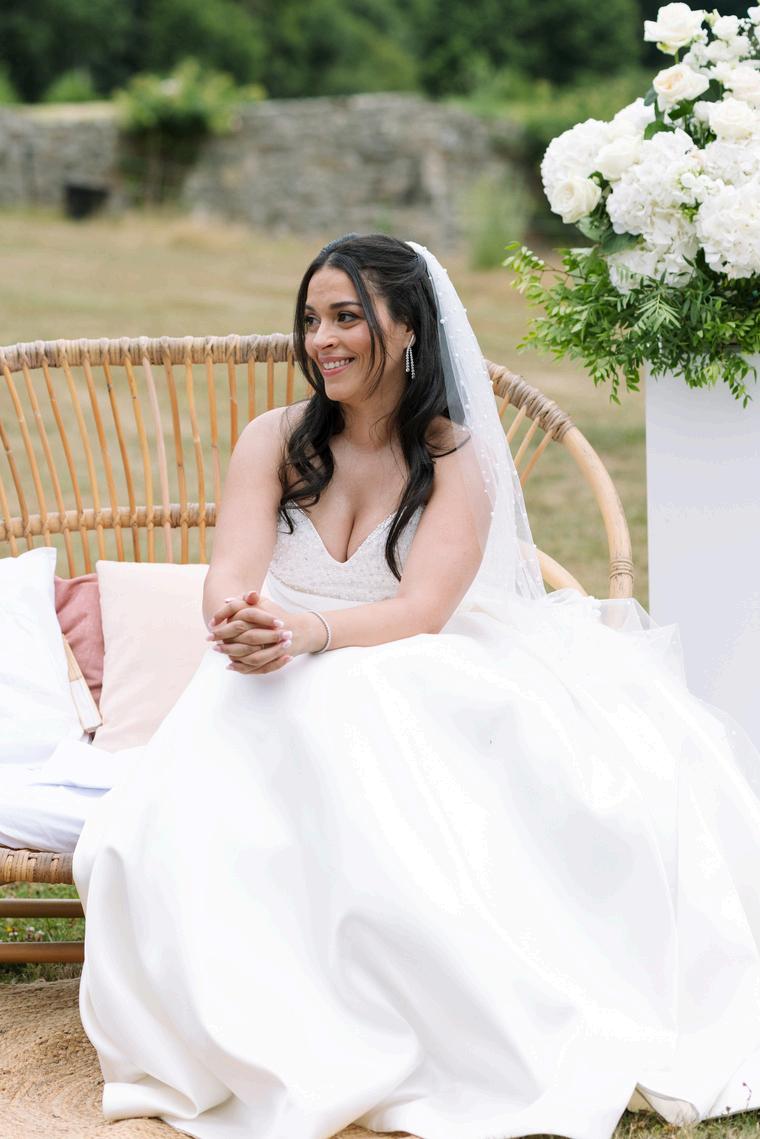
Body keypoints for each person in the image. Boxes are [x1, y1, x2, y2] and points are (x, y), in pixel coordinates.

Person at [73, 234, 760, 1139]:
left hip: (403, 661)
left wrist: (311, 634)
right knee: (141, 830)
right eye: (311, 319)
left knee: (362, 733)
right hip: (268, 666)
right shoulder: (273, 439)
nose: (322, 339)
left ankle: (384, 1017)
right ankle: (238, 1019)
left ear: (406, 329)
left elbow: (423, 609)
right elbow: (229, 573)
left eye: (347, 317)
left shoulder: (454, 456)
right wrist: (239, 621)